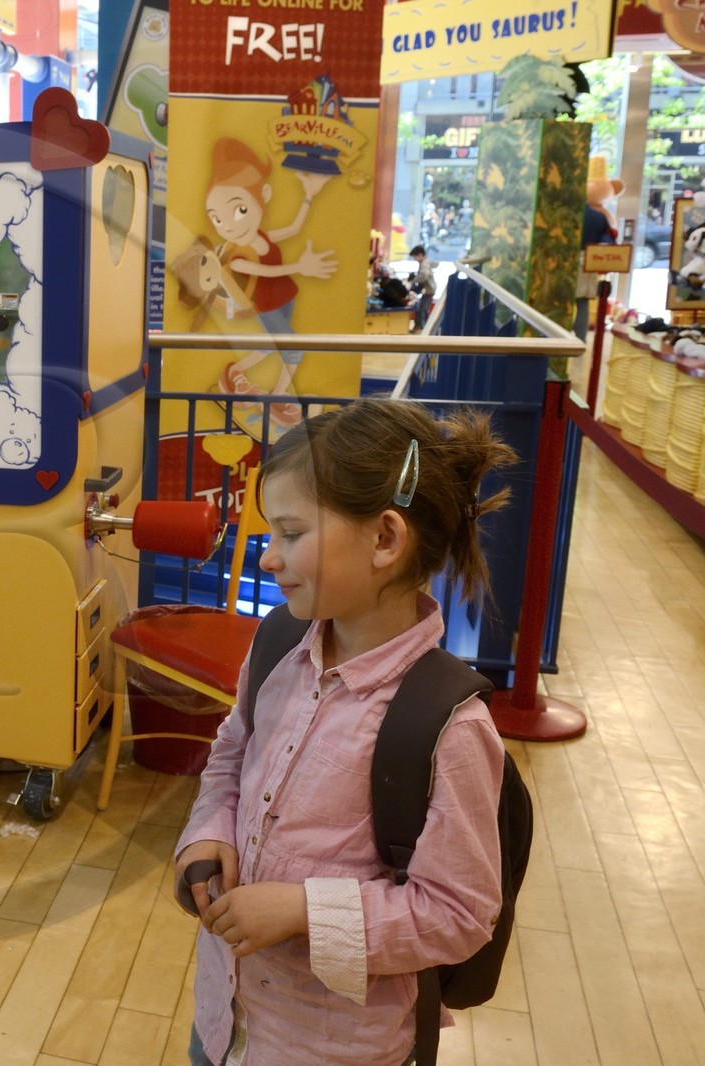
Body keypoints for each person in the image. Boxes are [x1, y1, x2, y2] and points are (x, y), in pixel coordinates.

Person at [174, 398, 515, 1066]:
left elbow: (461, 914)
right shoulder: (275, 644)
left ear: (385, 540)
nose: (269, 559)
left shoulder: (450, 727)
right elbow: (231, 755)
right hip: (225, 1019)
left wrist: (304, 910)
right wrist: (207, 835)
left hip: (333, 1048)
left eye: (291, 534)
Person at [203, 138, 337, 428]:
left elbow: (294, 228)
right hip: (267, 306)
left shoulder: (261, 236)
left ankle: (233, 373)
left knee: (268, 347)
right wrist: (300, 266)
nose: (227, 226)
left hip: (286, 299)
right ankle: (277, 397)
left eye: (238, 211)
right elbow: (266, 273)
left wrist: (309, 196)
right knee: (292, 350)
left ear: (262, 196)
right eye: (216, 218)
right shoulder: (236, 256)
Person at [409, 244, 436, 330]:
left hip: (429, 290)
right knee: (423, 309)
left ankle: (422, 327)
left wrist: (414, 280)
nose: (415, 259)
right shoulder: (425, 263)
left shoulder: (425, 264)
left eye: (415, 257)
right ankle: (426, 327)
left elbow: (424, 275)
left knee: (422, 309)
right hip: (428, 289)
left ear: (420, 255)